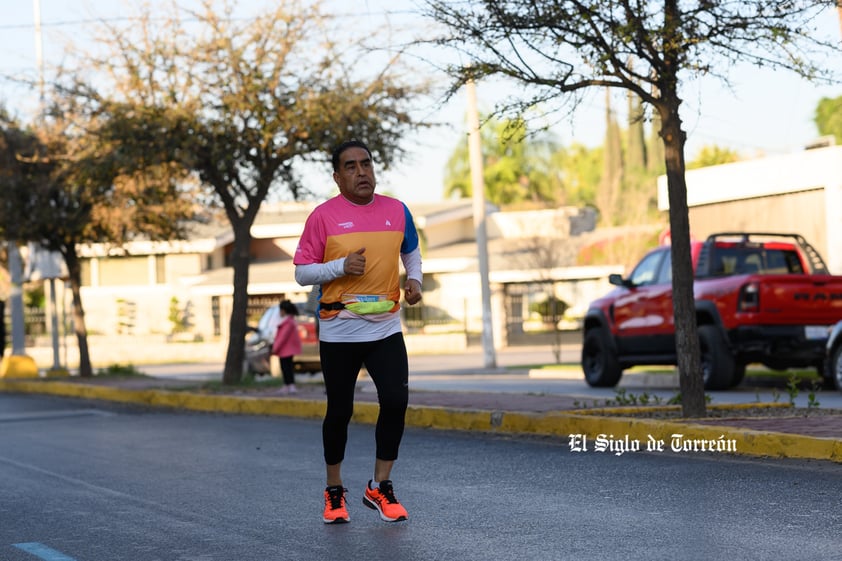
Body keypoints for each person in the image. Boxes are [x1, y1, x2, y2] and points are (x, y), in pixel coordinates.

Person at [294, 139, 423, 524]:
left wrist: (414, 280)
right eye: (350, 166)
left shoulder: (397, 210)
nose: (361, 171)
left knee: (396, 402)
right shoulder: (323, 217)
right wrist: (338, 267)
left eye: (365, 163)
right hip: (340, 330)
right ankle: (334, 491)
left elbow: (411, 250)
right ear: (337, 177)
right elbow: (302, 272)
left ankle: (380, 486)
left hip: (386, 326)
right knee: (340, 411)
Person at [271, 299, 302, 395]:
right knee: (286, 367)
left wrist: (275, 348)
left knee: (286, 368)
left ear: (284, 310)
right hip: (286, 350)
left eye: (280, 310)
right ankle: (287, 385)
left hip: (285, 350)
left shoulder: (288, 322)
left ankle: (290, 385)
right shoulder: (290, 321)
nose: (279, 312)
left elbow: (282, 338)